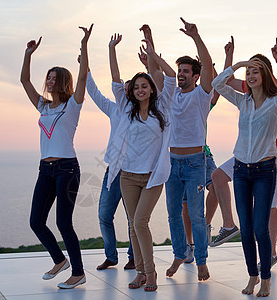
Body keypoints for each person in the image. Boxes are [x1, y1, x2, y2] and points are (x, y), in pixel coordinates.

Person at [212, 32, 277, 297]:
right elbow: (217, 84)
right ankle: (252, 276)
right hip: (241, 170)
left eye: (256, 71)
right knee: (245, 231)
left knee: (260, 229)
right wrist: (240, 64)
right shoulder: (242, 100)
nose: (251, 75)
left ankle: (265, 278)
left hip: (265, 171)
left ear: (265, 76)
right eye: (249, 73)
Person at [19, 24, 93, 289]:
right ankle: (59, 260)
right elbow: (25, 81)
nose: (49, 81)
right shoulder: (42, 106)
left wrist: (84, 45)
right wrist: (28, 54)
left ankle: (79, 272)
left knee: (63, 222)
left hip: (67, 169)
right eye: (48, 77)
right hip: (45, 170)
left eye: (53, 78)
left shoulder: (72, 105)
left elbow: (83, 77)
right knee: (36, 222)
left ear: (63, 82)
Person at [106, 33, 176, 292]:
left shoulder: (163, 107)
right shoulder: (126, 108)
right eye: (136, 87)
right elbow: (115, 81)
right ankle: (140, 273)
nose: (139, 90)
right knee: (133, 225)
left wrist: (153, 56)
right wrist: (112, 49)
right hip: (128, 176)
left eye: (144, 86)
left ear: (151, 89)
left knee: (140, 222)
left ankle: (151, 273)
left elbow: (169, 77)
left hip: (152, 177)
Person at [152, 18, 214, 281]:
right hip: (172, 163)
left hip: (195, 163)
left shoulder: (202, 95)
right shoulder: (171, 94)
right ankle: (180, 253)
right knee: (173, 215)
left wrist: (196, 37)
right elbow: (157, 73)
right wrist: (152, 49)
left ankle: (201, 260)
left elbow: (209, 65)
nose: (181, 74)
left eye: (186, 71)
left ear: (196, 75)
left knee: (198, 217)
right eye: (179, 71)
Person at [85, 65, 135, 271]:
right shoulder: (114, 109)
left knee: (133, 220)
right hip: (112, 172)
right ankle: (111, 256)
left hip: (133, 173)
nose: (124, 91)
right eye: (124, 88)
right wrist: (86, 70)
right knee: (104, 216)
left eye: (128, 88)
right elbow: (94, 93)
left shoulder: (143, 113)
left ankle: (134, 257)